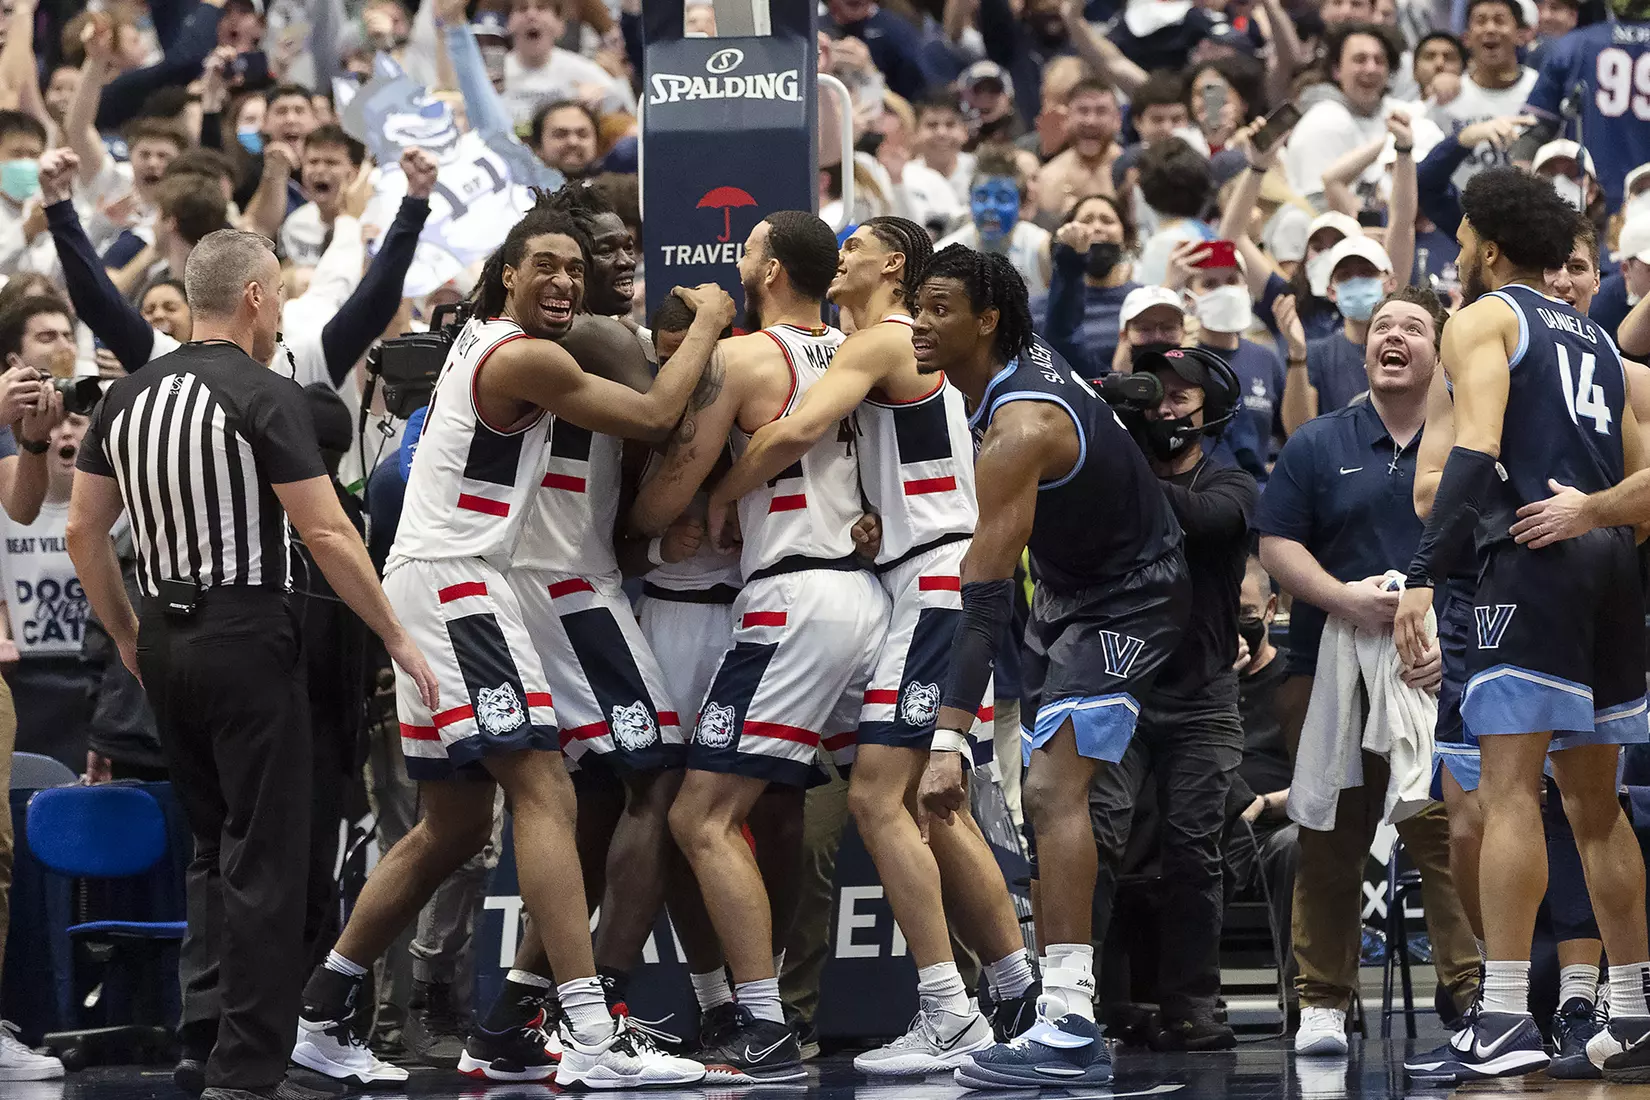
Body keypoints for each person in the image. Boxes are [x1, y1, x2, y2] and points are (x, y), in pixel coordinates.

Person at [290, 200, 727, 1090]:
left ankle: (321, 1012)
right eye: (550, 267)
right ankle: (592, 1035)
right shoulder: (520, 353)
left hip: (451, 576)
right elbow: (651, 413)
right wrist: (714, 321)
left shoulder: (485, 342)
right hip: (462, 578)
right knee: (546, 791)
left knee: (451, 828)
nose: (566, 280)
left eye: (579, 266)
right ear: (506, 279)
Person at [63, 229, 440, 1100]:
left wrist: (127, 632)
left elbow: (85, 531)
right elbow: (325, 531)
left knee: (212, 845)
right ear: (257, 298)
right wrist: (394, 634)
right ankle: (249, 1066)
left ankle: (207, 1033)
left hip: (164, 636)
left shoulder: (126, 399)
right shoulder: (263, 392)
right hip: (247, 632)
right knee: (267, 855)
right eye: (278, 303)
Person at [702, 217, 1038, 1074]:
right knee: (932, 803)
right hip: (925, 574)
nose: (839, 257)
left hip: (933, 580)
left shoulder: (883, 339)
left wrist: (715, 500)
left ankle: (949, 1007)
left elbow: (787, 436)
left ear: (893, 264)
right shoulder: (901, 349)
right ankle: (1014, 987)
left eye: (854, 247)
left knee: (879, 802)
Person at [910, 245, 1190, 1089]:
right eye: (916, 306)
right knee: (1049, 785)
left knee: (1049, 790)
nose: (919, 325)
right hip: (1075, 593)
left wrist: (947, 739)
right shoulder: (1018, 363)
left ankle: (1067, 1017)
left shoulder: (1017, 430)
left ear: (986, 320)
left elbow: (984, 600)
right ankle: (1060, 1009)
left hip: (1131, 596)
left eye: (939, 309)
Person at [1395, 166, 1650, 1080]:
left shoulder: (1485, 317)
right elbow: (1644, 489)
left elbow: (1477, 450)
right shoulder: (1600, 342)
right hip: (1611, 567)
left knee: (1507, 795)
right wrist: (1594, 515)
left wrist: (1423, 578)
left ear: (1491, 247)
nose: (1456, 253)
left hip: (1530, 563)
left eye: (1462, 239)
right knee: (1595, 806)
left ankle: (1503, 1017)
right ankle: (1634, 1006)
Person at [628, 210, 889, 1083]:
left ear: (769, 269)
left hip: (790, 599)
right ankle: (973, 1003)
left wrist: (641, 528)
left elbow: (676, 479)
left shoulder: (745, 358)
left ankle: (764, 1023)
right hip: (869, 595)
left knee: (697, 816)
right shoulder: (861, 353)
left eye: (747, 251)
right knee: (902, 807)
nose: (738, 260)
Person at [1256, 285, 1480, 1057]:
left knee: (1442, 831)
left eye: (1413, 328)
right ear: (1364, 350)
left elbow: (1490, 554)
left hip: (1439, 668)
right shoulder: (1320, 439)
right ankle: (1322, 1002)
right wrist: (1341, 600)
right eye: (1382, 326)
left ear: (1440, 351)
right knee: (1326, 832)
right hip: (1326, 667)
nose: (1393, 336)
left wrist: (1452, 642)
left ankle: (1474, 991)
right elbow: (1277, 543)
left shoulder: (1472, 442)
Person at [1089, 345, 1254, 1051]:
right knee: (1097, 839)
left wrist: (1119, 461)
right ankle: (1094, 999)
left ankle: (1192, 1002)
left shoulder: (1234, 482)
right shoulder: (1112, 472)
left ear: (1209, 406)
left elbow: (1209, 522)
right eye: (1155, 391)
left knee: (1193, 849)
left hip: (1202, 694)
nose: (1166, 405)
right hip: (1116, 681)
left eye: (1182, 395)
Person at [1512, 0, 1650, 212]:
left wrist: (1517, 191)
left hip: (1586, 198)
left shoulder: (1573, 44)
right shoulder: (1573, 44)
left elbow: (1534, 128)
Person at [1424, 0, 1536, 191]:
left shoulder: (1539, 90)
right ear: (1466, 38)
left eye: (1500, 21)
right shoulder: (1447, 96)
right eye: (1481, 21)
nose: (1490, 28)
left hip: (1528, 214)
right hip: (1459, 215)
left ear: (1520, 35)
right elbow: (1427, 168)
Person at [1037, 194, 1140, 379]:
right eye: (1086, 220)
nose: (1097, 228)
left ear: (1126, 238)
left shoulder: (1142, 302)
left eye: (1107, 221)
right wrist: (1070, 260)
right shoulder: (1040, 309)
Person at [936, 148, 1052, 296]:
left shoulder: (1041, 249)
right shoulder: (946, 255)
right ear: (970, 203)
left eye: (1003, 198)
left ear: (1021, 206)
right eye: (982, 198)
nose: (990, 208)